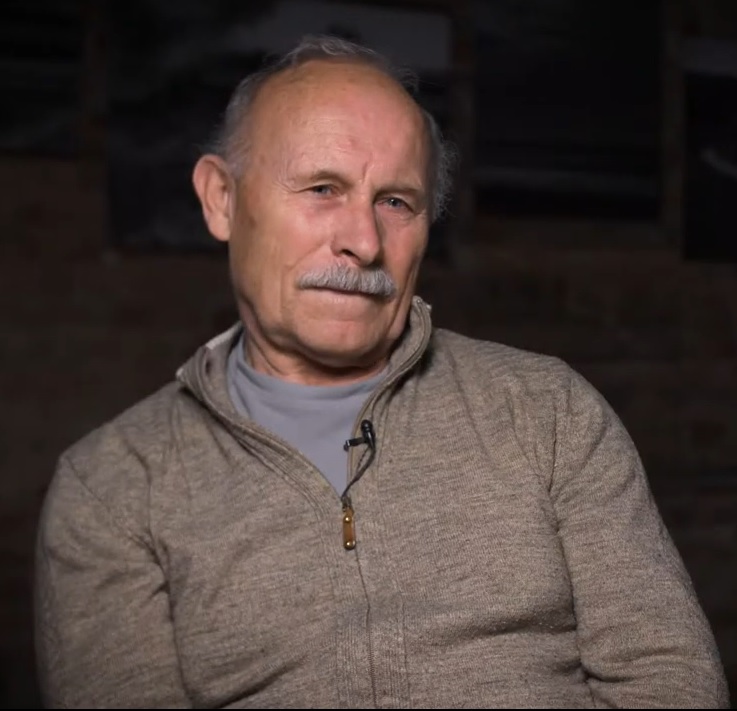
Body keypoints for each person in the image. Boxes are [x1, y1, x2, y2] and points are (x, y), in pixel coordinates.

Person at [34, 35, 729, 709]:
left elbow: (670, 681)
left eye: (396, 202)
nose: (364, 242)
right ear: (222, 199)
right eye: (322, 188)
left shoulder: (547, 411)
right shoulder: (113, 487)